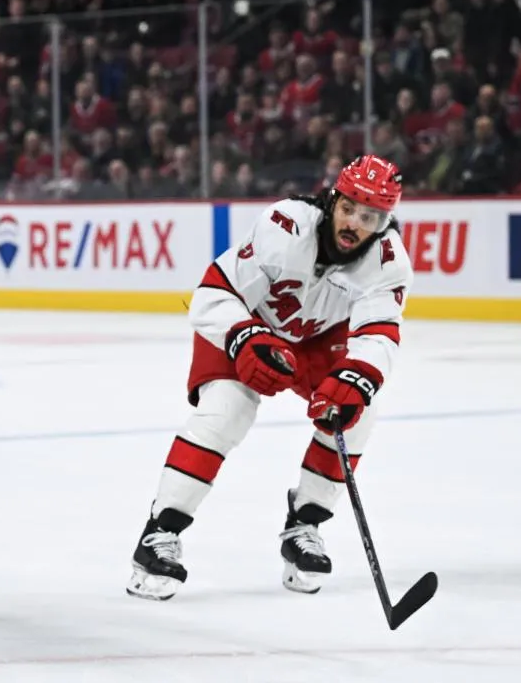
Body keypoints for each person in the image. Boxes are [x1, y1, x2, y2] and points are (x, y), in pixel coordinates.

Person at [126, 155, 412, 601]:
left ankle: (305, 525)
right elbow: (214, 295)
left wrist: (358, 378)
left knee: (356, 412)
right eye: (351, 208)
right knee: (227, 411)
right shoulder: (286, 226)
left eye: (371, 216)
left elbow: (379, 333)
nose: (357, 223)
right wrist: (245, 337)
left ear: (385, 221)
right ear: (333, 198)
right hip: (244, 324)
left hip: (317, 340)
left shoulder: (388, 260)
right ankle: (158, 534)